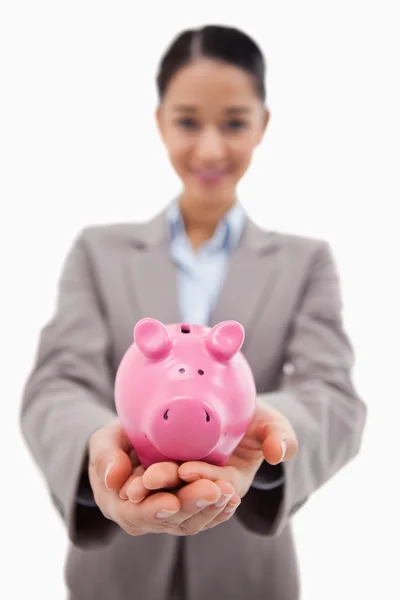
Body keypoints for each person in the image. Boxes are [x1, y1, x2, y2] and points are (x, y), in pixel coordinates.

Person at [19, 24, 367, 600]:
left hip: (250, 573)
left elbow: (333, 394)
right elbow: (57, 381)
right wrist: (97, 452)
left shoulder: (306, 261)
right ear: (159, 123)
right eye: (187, 122)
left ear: (263, 124)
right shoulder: (97, 251)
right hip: (114, 576)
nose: (210, 149)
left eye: (233, 122)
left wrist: (254, 431)